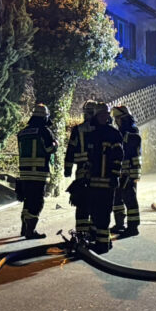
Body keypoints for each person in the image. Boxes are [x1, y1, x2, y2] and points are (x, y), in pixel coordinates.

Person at [84, 103, 125, 253]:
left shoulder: (113, 134)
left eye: (105, 115)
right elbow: (89, 158)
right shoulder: (92, 134)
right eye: (101, 115)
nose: (104, 117)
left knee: (104, 213)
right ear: (95, 116)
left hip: (108, 181)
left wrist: (115, 175)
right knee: (94, 212)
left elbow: (118, 156)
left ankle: (102, 245)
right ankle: (102, 240)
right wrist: (86, 175)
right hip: (94, 181)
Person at [16, 103, 57, 239]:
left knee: (28, 200)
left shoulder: (22, 133)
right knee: (37, 202)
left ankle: (24, 228)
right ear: (45, 117)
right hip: (38, 173)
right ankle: (30, 231)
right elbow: (49, 149)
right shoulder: (44, 131)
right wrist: (55, 144)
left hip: (24, 173)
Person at [64, 100, 98, 240]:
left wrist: (68, 169)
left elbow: (70, 150)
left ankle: (81, 233)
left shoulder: (78, 130)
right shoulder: (102, 129)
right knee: (96, 202)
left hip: (81, 172)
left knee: (82, 203)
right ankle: (93, 231)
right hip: (98, 173)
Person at [111, 105, 142, 237]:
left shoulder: (132, 133)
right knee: (117, 199)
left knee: (130, 199)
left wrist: (134, 174)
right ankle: (119, 224)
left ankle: (133, 227)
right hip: (118, 172)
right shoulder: (120, 132)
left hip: (128, 173)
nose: (116, 121)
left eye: (117, 118)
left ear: (123, 118)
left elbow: (135, 155)